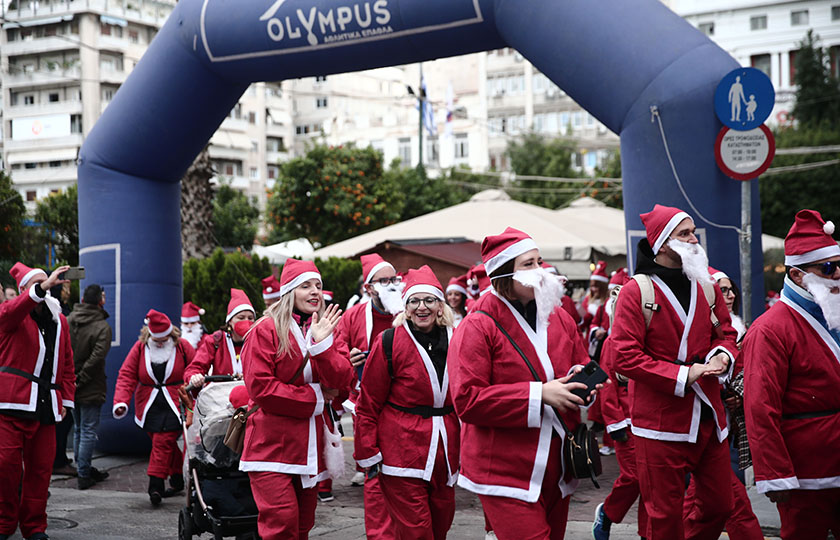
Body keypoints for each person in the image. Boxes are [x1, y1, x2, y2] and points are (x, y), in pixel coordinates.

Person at [449, 227, 605, 539]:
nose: (540, 271)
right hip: (504, 469)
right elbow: (467, 400)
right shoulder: (477, 325)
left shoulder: (558, 317)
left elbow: (578, 364)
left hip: (559, 465)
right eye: (528, 264)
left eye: (539, 262)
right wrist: (540, 394)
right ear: (504, 275)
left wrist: (582, 387)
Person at [610, 204, 738, 540]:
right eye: (685, 234)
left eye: (693, 232)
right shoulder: (636, 291)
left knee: (720, 505)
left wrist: (722, 356)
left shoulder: (706, 285)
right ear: (664, 243)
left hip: (708, 415)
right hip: (659, 423)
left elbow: (726, 333)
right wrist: (684, 375)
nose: (695, 239)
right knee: (664, 517)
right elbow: (624, 357)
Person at [238, 259, 354, 540]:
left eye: (318, 285)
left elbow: (343, 383)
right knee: (282, 525)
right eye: (305, 286)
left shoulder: (328, 329)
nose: (315, 291)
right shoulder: (264, 330)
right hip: (270, 449)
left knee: (303, 526)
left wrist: (323, 346)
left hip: (310, 449)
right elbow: (262, 389)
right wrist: (316, 396)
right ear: (289, 292)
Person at [743, 209, 840, 539]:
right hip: (805, 473)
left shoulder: (834, 313)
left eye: (839, 265)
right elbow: (760, 407)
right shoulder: (770, 330)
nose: (837, 273)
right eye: (827, 268)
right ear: (798, 275)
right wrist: (774, 474)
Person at [355, 266, 460, 539]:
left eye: (429, 300)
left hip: (445, 451)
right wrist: (368, 452)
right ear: (406, 307)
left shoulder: (458, 338)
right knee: (416, 531)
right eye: (414, 301)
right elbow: (368, 402)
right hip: (401, 450)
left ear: (440, 305)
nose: (421, 307)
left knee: (441, 525)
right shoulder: (389, 341)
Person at [678, 267, 763, 540]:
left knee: (708, 499)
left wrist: (741, 393)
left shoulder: (739, 328)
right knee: (731, 500)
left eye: (730, 289)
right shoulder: (698, 330)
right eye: (722, 289)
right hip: (706, 423)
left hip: (732, 426)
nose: (729, 295)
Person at [0, 263, 75, 540]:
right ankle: (4, 524)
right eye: (42, 283)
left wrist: (66, 400)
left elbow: (67, 364)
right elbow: (9, 312)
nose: (50, 285)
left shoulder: (59, 320)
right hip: (11, 404)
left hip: (47, 405)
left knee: (41, 471)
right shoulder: (11, 314)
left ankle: (34, 527)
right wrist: (41, 288)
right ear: (25, 290)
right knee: (6, 467)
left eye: (50, 281)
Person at [334, 253, 401, 538]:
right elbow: (336, 352)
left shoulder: (410, 309)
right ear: (368, 288)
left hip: (403, 405)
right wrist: (348, 358)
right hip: (366, 405)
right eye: (384, 281)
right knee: (374, 472)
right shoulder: (353, 316)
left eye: (394, 279)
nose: (392, 284)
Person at [113, 309, 195, 506]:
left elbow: (195, 368)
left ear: (171, 334)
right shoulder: (140, 348)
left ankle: (155, 486)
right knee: (165, 443)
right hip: (148, 405)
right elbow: (127, 374)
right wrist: (121, 401)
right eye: (156, 339)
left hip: (175, 403)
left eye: (164, 339)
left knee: (162, 442)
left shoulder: (182, 347)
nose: (160, 342)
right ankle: (177, 478)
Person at [592, 269, 651, 540]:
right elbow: (607, 386)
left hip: (648, 420)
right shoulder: (611, 342)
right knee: (634, 477)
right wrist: (615, 424)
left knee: (652, 483)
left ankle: (648, 533)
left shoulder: (649, 339)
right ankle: (607, 513)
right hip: (626, 422)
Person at [67, 284, 112, 490]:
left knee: (79, 429)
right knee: (87, 430)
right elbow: (96, 358)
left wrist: (72, 380)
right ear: (100, 301)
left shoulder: (69, 320)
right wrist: (81, 379)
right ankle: (84, 473)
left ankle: (82, 467)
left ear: (83, 299)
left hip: (71, 384)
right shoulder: (102, 327)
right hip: (90, 385)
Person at [184, 289, 256, 388]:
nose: (246, 321)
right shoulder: (216, 340)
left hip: (250, 394)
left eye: (250, 318)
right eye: (241, 318)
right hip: (220, 395)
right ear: (230, 321)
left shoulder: (258, 341)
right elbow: (195, 367)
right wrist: (195, 377)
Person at [579, 260, 609, 334]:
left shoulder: (608, 301)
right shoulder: (587, 299)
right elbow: (582, 323)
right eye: (592, 286)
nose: (593, 289)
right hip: (591, 336)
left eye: (596, 287)